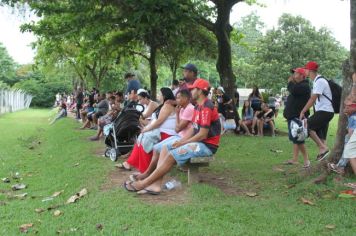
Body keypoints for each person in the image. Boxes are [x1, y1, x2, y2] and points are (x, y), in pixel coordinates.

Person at [123, 78, 221, 194]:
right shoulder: (198, 106)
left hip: (207, 146)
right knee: (165, 148)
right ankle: (155, 185)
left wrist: (183, 142)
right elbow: (193, 129)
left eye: (193, 89)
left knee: (171, 155)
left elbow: (202, 134)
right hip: (198, 142)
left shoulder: (206, 107)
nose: (191, 92)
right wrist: (182, 140)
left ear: (199, 91)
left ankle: (143, 184)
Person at [130, 89, 195, 182]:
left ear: (186, 98)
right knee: (154, 146)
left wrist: (176, 114)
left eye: (178, 98)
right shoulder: (181, 108)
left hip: (180, 137)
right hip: (178, 135)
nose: (176, 100)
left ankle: (151, 176)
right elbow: (177, 127)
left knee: (153, 143)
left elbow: (177, 128)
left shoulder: (188, 109)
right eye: (176, 97)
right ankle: (147, 173)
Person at [117, 88, 177, 172]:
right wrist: (146, 129)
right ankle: (130, 163)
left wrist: (147, 129)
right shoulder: (163, 105)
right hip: (161, 132)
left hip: (167, 134)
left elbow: (159, 122)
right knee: (142, 137)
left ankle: (144, 168)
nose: (158, 95)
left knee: (145, 138)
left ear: (164, 96)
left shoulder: (167, 106)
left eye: (159, 94)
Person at [300, 61, 334, 161]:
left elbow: (313, 98)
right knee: (321, 135)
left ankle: (323, 148)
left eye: (305, 69)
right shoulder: (317, 80)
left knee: (306, 126)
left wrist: (303, 111)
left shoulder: (319, 81)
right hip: (324, 111)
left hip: (325, 111)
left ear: (310, 70)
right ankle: (323, 157)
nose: (304, 71)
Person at [283, 68, 311, 168]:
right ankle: (294, 159)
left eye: (296, 73)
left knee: (299, 139)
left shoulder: (304, 85)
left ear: (302, 76)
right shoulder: (299, 85)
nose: (293, 74)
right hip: (293, 116)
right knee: (295, 139)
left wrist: (290, 82)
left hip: (298, 117)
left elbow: (293, 90)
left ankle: (306, 160)